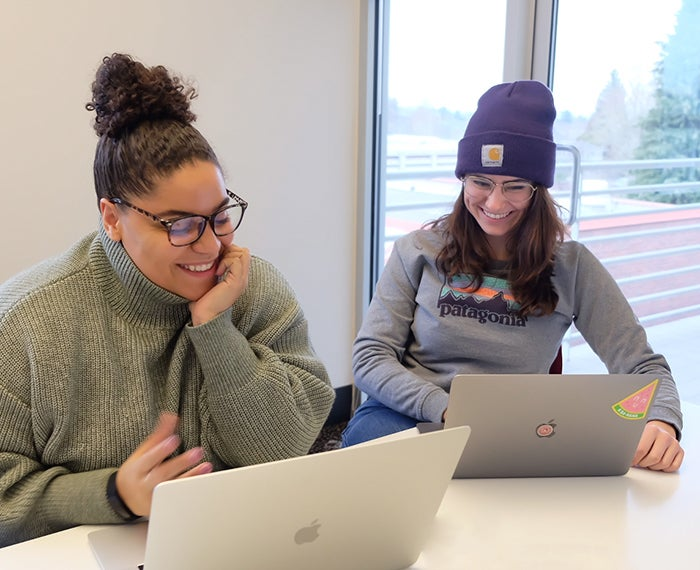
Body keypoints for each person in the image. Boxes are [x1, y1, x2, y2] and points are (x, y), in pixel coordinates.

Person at [0, 53, 335, 546]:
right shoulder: (27, 321)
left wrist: (216, 329)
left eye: (220, 217)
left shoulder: (254, 286)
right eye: (180, 225)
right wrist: (114, 494)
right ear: (113, 218)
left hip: (246, 544)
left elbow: (284, 450)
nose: (210, 245)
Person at [342, 80, 684, 473]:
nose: (495, 202)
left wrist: (661, 422)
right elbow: (370, 357)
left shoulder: (572, 267)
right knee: (386, 469)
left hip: (514, 430)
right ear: (463, 180)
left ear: (538, 189)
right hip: (408, 412)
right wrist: (446, 408)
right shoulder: (416, 251)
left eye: (515, 187)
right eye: (480, 182)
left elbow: (644, 368)